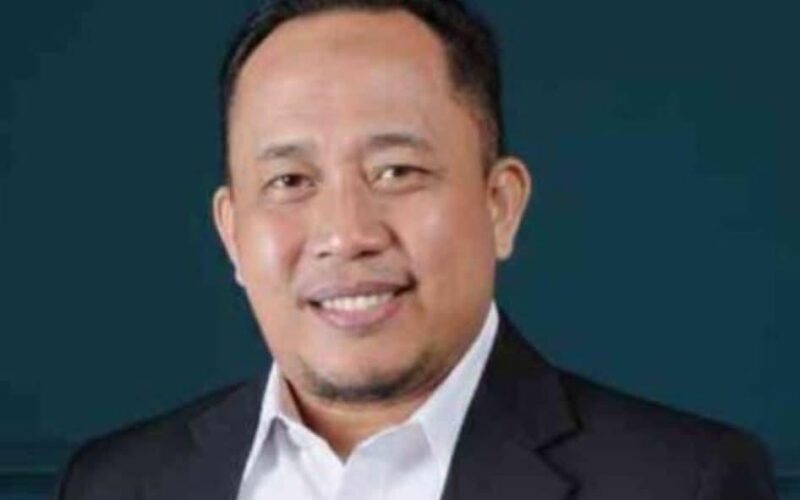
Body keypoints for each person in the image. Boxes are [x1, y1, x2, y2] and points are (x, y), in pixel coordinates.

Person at [55, 0, 778, 499]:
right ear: (232, 234)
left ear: (501, 204)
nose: (346, 234)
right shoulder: (114, 483)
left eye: (396, 171)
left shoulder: (683, 482)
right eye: (290, 180)